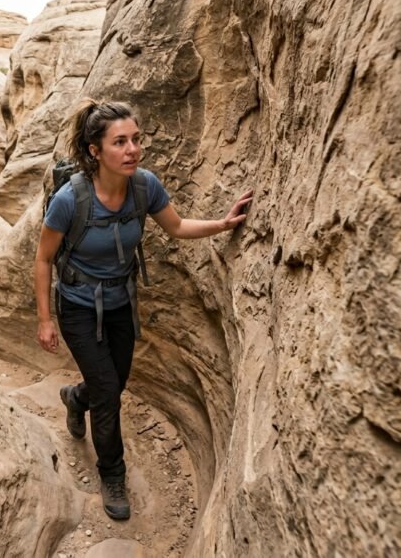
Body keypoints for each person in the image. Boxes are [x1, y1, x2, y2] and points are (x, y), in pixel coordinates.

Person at [34, 98, 252, 520]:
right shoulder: (70, 199)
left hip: (120, 303)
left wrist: (222, 224)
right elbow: (43, 260)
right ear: (96, 151)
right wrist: (46, 320)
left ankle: (75, 398)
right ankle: (112, 474)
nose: (132, 149)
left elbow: (177, 226)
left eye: (136, 139)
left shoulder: (144, 186)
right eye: (120, 142)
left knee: (111, 385)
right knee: (108, 395)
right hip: (77, 307)